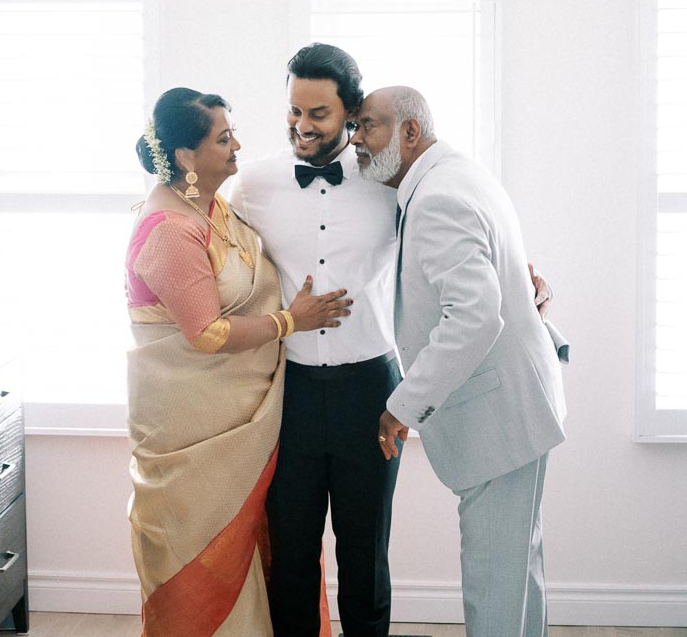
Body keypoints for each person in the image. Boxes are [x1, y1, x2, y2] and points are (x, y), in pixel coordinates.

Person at [125, 87, 352, 637]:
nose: (237, 147)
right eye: (223, 138)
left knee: (269, 554)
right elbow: (206, 333)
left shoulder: (214, 206)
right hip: (193, 435)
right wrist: (291, 322)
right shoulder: (169, 230)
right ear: (184, 156)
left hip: (248, 423)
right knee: (201, 563)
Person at [353, 86, 568, 637]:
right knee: (517, 572)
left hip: (497, 416)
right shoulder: (455, 173)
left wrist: (401, 406)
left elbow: (473, 315)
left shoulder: (436, 199)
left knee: (494, 584)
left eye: (368, 126)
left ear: (409, 132)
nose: (356, 138)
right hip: (520, 402)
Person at [228, 45, 402, 637]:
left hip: (371, 392)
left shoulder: (391, 181)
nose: (302, 125)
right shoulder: (254, 184)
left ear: (351, 112)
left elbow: (454, 236)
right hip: (290, 394)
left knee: (365, 557)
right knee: (293, 559)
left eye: (319, 113)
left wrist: (522, 275)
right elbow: (200, 236)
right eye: (294, 111)